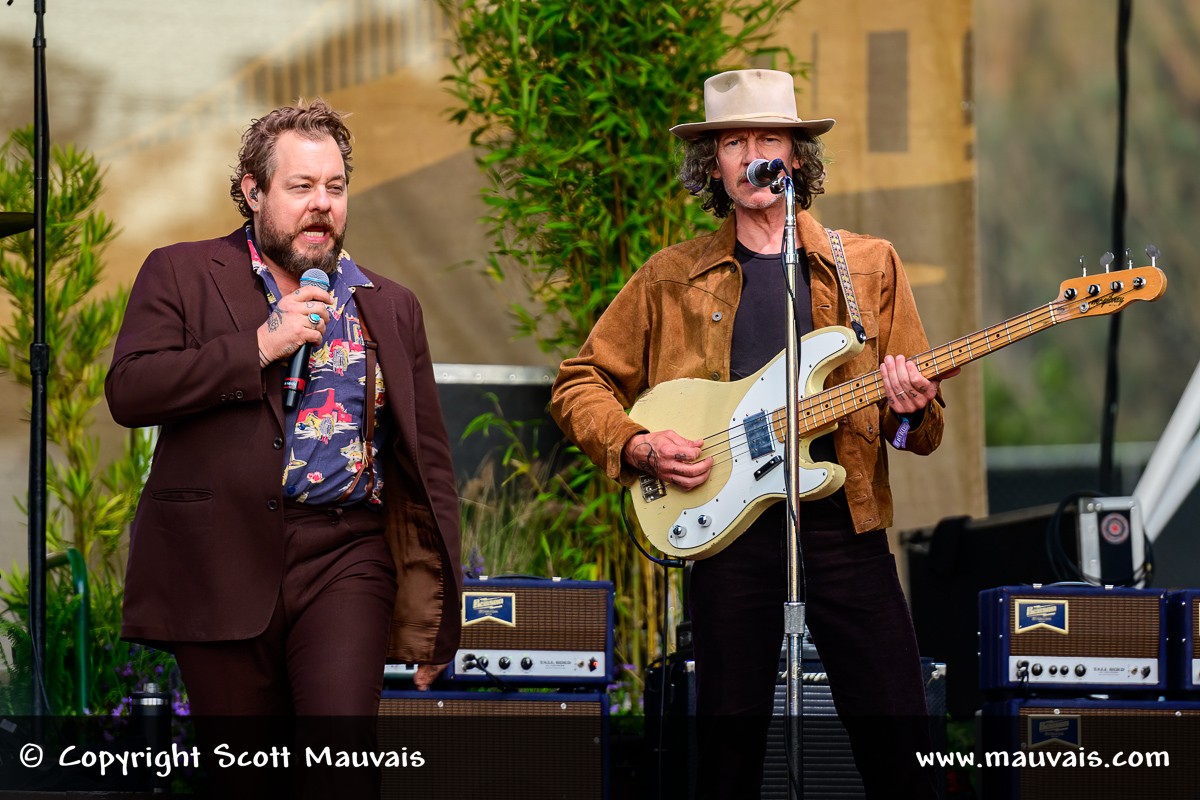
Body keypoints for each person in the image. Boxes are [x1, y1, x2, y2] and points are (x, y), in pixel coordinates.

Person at [550, 69, 957, 798]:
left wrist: (905, 405)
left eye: (767, 137)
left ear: (796, 155)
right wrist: (639, 445)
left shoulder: (866, 265)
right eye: (732, 141)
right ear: (713, 165)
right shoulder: (669, 277)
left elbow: (915, 434)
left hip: (843, 526)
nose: (750, 154)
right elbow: (579, 382)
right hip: (723, 530)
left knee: (902, 750)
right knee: (727, 760)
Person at [105, 99, 462, 797]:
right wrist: (260, 345)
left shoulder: (389, 303)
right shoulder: (181, 272)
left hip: (345, 554)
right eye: (300, 188)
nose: (321, 205)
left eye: (334, 187)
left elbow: (429, 464)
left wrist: (441, 611)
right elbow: (130, 391)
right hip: (220, 558)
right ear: (252, 191)